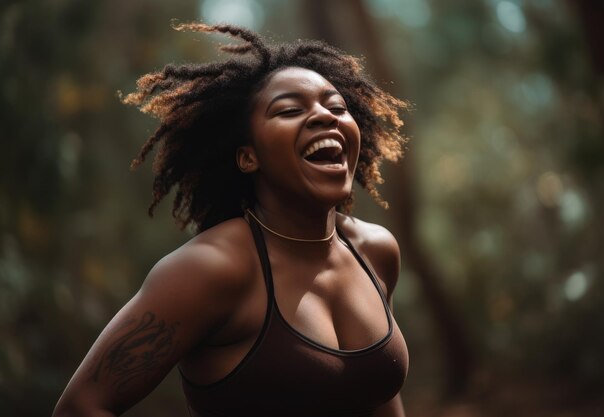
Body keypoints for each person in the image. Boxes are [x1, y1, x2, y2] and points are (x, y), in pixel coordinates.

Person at [52, 23, 410, 417]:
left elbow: (378, 397)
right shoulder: (210, 269)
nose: (324, 116)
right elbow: (81, 406)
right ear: (247, 157)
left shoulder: (376, 251)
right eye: (290, 110)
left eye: (337, 107)